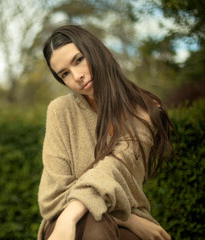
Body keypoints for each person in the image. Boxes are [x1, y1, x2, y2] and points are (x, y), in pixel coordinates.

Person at [37, 25, 175, 240]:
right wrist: (126, 217)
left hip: (118, 222)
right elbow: (52, 197)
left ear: (95, 50)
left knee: (100, 223)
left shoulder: (144, 110)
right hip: (64, 221)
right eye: (65, 73)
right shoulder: (60, 111)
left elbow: (114, 167)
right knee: (95, 222)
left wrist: (125, 219)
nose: (77, 76)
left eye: (79, 60)